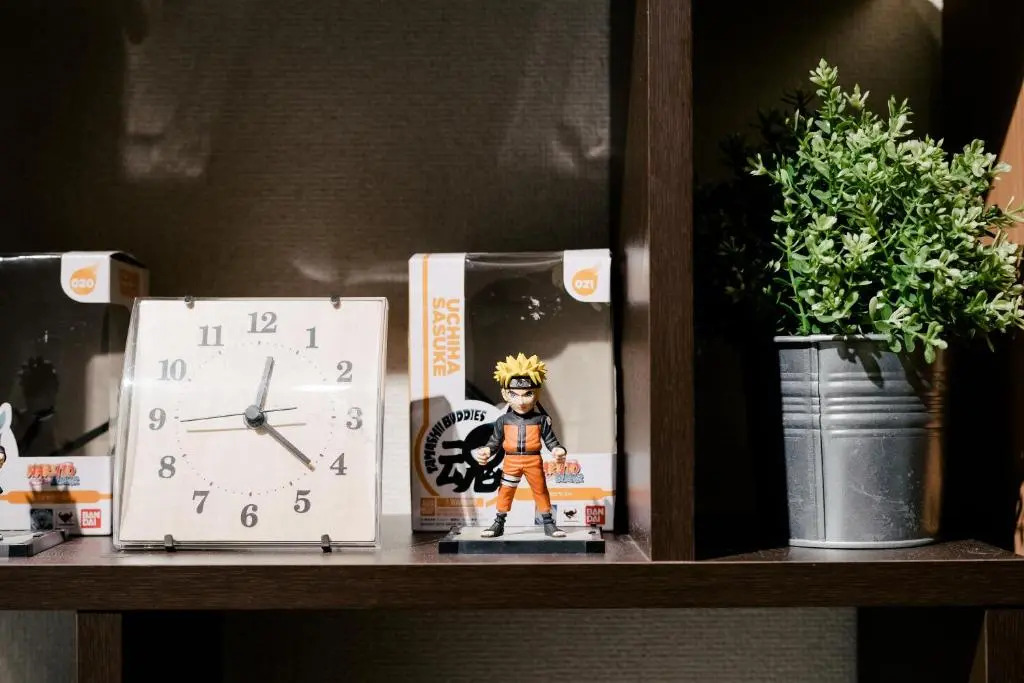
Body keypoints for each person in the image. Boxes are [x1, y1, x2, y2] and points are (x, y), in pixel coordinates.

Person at [472, 353, 567, 538]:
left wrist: (558, 450)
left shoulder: (541, 420)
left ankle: (548, 523)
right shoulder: (503, 420)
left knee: (540, 491)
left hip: (533, 461)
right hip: (511, 462)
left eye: (528, 394)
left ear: (537, 393)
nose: (521, 401)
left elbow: (551, 441)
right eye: (514, 394)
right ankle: (498, 523)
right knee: (505, 491)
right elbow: (494, 442)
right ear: (505, 394)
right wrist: (486, 450)